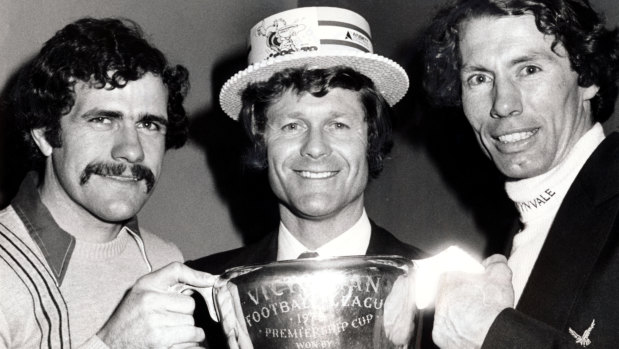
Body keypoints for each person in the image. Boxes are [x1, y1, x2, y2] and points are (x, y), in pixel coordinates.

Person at [187, 6, 426, 348]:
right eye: (292, 125)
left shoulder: (439, 289)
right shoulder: (200, 295)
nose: (315, 147)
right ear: (261, 139)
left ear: (370, 138)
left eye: (338, 124)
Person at [0, 17, 214, 348]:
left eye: (149, 124)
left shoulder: (163, 260)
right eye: (102, 119)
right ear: (44, 135)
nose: (131, 150)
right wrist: (113, 343)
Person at [423, 0, 619, 347]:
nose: (502, 104)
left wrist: (492, 334)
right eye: (479, 78)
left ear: (587, 77)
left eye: (528, 69)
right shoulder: (523, 228)